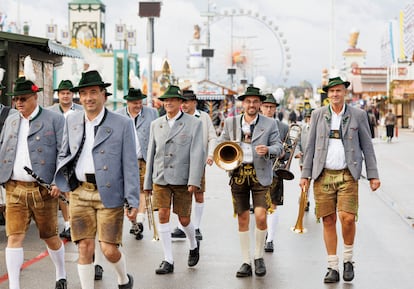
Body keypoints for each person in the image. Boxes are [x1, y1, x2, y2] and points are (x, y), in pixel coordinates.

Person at [54, 70, 139, 289]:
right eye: (83, 93)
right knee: (84, 247)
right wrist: (64, 181)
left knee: (109, 249)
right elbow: (64, 154)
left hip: (109, 193)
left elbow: (130, 165)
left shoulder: (122, 124)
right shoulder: (71, 120)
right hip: (79, 193)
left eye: (93, 92)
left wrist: (132, 201)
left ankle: (124, 279)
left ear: (104, 95)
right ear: (78, 97)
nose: (88, 98)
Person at [299, 77, 381, 283]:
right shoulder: (318, 115)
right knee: (328, 220)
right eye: (332, 91)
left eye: (339, 91)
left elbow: (367, 147)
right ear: (327, 94)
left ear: (345, 92)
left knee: (348, 218)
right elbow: (309, 147)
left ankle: (348, 259)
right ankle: (332, 266)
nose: (335, 94)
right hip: (322, 174)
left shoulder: (359, 115)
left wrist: (373, 175)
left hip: (347, 174)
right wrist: (305, 175)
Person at [0, 76, 67, 289]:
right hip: (14, 187)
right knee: (14, 236)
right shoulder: (11, 119)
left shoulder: (54, 119)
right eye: (15, 99)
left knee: (50, 237)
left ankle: (61, 273)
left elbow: (63, 154)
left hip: (43, 189)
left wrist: (59, 181)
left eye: (23, 98)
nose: (18, 103)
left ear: (35, 97)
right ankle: (14, 286)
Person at [217, 86, 283, 277]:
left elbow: (279, 147)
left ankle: (259, 256)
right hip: (238, 174)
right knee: (243, 218)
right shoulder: (231, 122)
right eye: (248, 101)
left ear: (260, 104)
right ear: (243, 103)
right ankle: (246, 261)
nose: (251, 104)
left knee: (261, 216)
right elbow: (222, 142)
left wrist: (268, 150)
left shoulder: (270, 124)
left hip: (260, 173)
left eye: (255, 101)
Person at [144, 85, 204, 275]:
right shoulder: (156, 124)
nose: (168, 103)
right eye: (165, 100)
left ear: (180, 103)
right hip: (160, 178)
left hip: (183, 179)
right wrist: (147, 183)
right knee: (162, 214)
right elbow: (151, 153)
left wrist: (195, 180)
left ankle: (193, 243)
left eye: (172, 100)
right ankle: (168, 259)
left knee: (184, 219)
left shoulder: (194, 123)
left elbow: (197, 154)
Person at [171, 90, 217, 241]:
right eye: (182, 102)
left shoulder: (203, 117)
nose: (183, 105)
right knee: (179, 194)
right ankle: (180, 226)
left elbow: (212, 137)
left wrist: (210, 155)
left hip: (197, 162)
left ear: (194, 103)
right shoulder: (177, 117)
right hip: (179, 162)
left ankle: (196, 226)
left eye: (186, 102)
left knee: (198, 193)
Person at [115, 87, 158, 240]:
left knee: (143, 190)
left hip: (144, 159)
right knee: (127, 193)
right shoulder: (118, 115)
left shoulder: (152, 113)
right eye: (135, 103)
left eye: (140, 102)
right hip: (125, 160)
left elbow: (156, 136)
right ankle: (134, 223)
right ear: (128, 102)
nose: (138, 105)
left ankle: (139, 220)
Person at [47, 79, 84, 241]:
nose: (66, 96)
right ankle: (68, 223)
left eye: (68, 93)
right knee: (61, 190)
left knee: (71, 190)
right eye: (63, 93)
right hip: (54, 154)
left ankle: (74, 223)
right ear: (58, 95)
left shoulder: (80, 110)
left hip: (73, 155)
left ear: (72, 94)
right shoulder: (50, 111)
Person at [259, 93, 289, 253]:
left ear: (275, 109)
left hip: (276, 170)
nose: (269, 109)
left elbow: (289, 148)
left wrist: (285, 154)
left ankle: (270, 239)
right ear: (261, 107)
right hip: (257, 169)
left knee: (273, 205)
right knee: (260, 206)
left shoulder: (283, 127)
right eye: (266, 106)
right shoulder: (255, 124)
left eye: (271, 107)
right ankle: (264, 233)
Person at [295, 109, 312, 211]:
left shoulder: (320, 129)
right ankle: (304, 199)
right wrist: (297, 152)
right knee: (306, 181)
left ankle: (305, 198)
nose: (311, 120)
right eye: (309, 118)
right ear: (307, 119)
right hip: (304, 159)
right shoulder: (302, 129)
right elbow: (297, 143)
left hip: (317, 160)